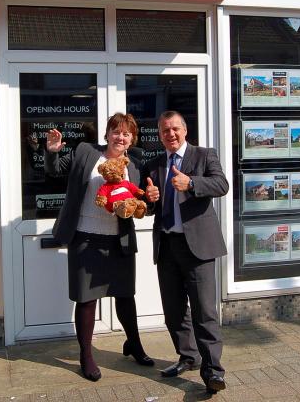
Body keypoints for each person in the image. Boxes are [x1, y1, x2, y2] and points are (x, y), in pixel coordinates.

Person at [45, 112, 154, 382]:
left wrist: (151, 200)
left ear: (132, 139)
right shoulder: (86, 152)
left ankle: (134, 344)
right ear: (107, 134)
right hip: (85, 237)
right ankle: (86, 354)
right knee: (86, 299)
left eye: (126, 133)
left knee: (125, 295)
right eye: (116, 131)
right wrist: (51, 152)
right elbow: (54, 170)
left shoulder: (137, 161)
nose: (120, 137)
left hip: (119, 240)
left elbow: (144, 203)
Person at [143, 110, 229, 394]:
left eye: (175, 129)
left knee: (204, 311)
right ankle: (188, 357)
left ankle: (213, 371)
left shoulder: (204, 156)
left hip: (198, 248)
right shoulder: (155, 163)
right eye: (165, 130)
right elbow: (151, 206)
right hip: (167, 246)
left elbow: (222, 185)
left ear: (185, 130)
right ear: (160, 134)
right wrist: (150, 200)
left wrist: (191, 183)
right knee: (174, 311)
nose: (171, 134)